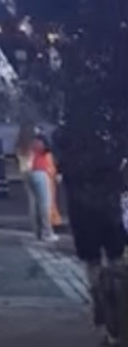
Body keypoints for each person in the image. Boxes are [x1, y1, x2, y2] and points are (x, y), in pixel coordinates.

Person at [54, 124, 126, 342]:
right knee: (117, 265)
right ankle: (119, 318)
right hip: (111, 214)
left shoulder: (67, 146)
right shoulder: (113, 145)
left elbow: (61, 169)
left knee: (93, 267)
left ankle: (104, 319)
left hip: (83, 216)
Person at [28, 130, 60, 243]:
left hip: (32, 172)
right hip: (42, 173)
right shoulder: (41, 143)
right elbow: (49, 148)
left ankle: (38, 232)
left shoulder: (31, 144)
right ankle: (47, 232)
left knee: (36, 204)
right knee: (44, 205)